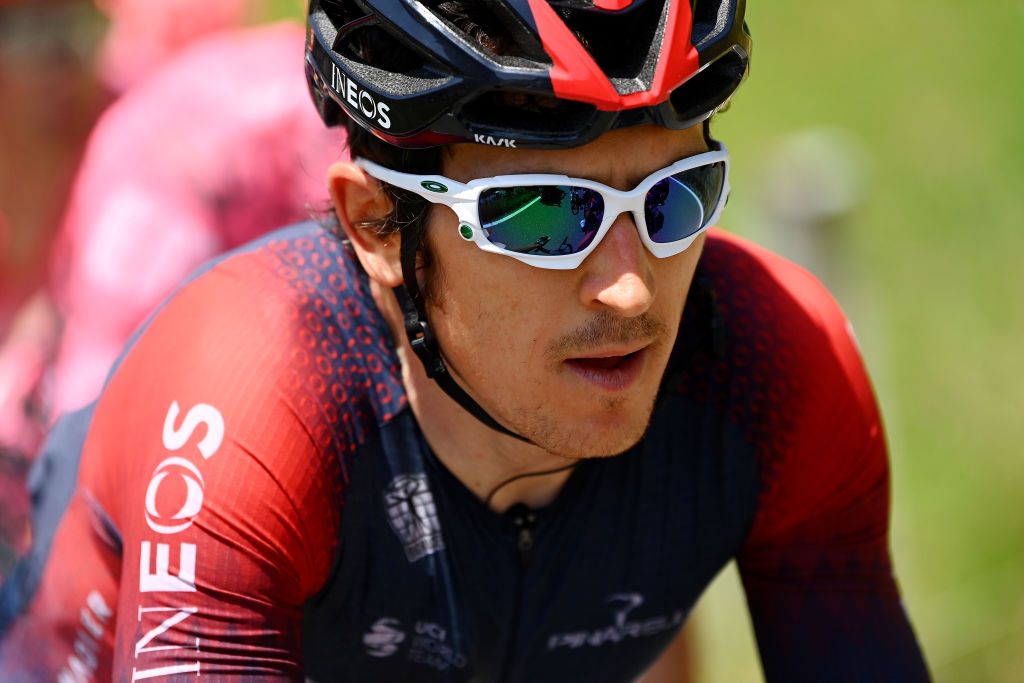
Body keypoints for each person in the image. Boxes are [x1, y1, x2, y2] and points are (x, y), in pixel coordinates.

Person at [0, 1, 932, 681]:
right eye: (540, 215)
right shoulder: (253, 398)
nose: (629, 285)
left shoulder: (776, 362)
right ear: (375, 226)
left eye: (673, 200)